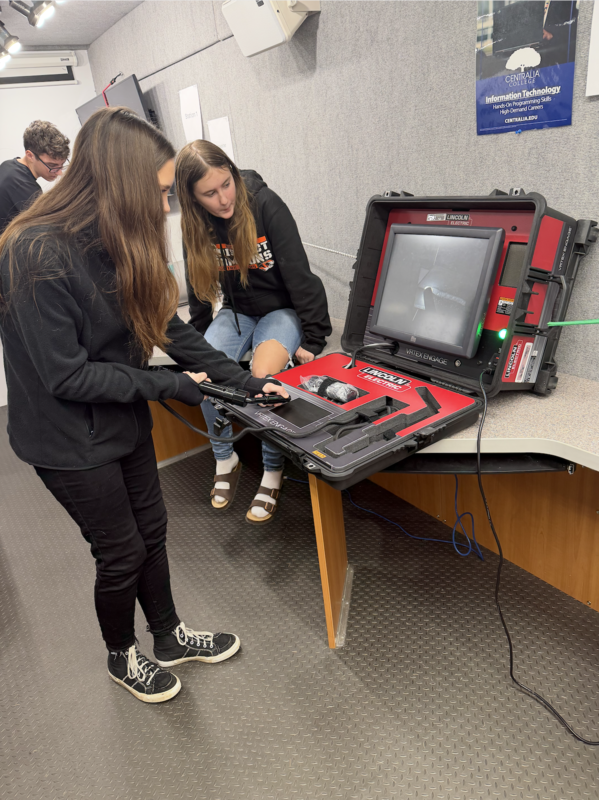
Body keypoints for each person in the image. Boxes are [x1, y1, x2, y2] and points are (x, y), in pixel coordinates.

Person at [0, 107, 288, 704]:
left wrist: (241, 381)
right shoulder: (33, 250)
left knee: (152, 531)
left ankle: (169, 636)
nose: (166, 208)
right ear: (120, 183)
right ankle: (121, 656)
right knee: (121, 550)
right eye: (160, 193)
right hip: (65, 435)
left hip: (118, 412)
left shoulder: (118, 239)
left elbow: (164, 325)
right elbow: (67, 376)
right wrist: (170, 387)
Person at [176, 141, 331, 524]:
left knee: (264, 378)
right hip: (236, 313)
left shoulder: (265, 204)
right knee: (205, 375)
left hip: (281, 309)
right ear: (193, 198)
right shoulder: (196, 225)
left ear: (232, 172)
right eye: (209, 194)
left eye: (225, 184)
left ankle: (273, 470)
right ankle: (225, 460)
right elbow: (198, 286)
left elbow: (299, 274)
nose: (223, 199)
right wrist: (197, 340)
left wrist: (313, 338)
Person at [0, 119, 70, 234]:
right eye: (52, 166)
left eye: (61, 165)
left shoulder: (8, 165)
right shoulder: (24, 186)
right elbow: (49, 231)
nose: (59, 172)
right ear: (30, 155)